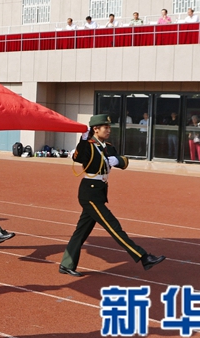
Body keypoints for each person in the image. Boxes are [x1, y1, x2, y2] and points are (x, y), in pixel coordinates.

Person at [59, 114, 165, 277]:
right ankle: (144, 257)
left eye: (109, 127)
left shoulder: (107, 146)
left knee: (81, 232)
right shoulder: (88, 145)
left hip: (99, 191)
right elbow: (77, 157)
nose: (109, 130)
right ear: (96, 129)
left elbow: (124, 162)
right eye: (105, 127)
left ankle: (66, 264)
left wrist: (118, 160)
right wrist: (83, 139)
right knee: (114, 226)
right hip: (89, 192)